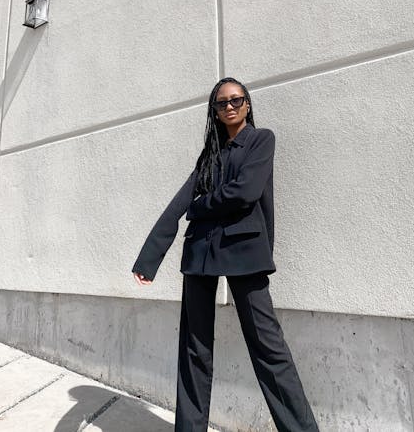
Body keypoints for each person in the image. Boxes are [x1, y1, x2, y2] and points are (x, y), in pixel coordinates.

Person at [132, 77, 320, 432]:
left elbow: (244, 192)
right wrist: (150, 257)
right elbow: (179, 202)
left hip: (244, 252)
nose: (230, 106)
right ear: (215, 113)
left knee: (269, 349)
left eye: (236, 100)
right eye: (222, 103)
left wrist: (201, 207)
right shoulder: (210, 156)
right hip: (201, 254)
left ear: (247, 104)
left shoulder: (261, 140)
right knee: (194, 351)